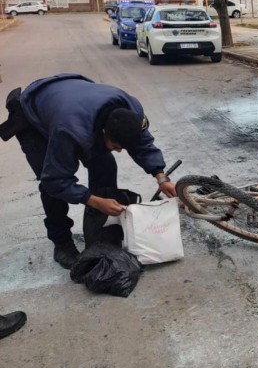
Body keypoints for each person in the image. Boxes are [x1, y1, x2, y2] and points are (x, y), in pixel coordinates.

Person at [0, 74, 177, 270]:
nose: (119, 150)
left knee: (106, 165)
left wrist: (161, 177)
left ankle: (100, 232)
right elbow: (56, 181)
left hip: (73, 96)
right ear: (102, 132)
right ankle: (62, 243)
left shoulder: (132, 111)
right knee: (50, 184)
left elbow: (142, 144)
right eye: (116, 145)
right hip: (33, 115)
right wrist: (93, 200)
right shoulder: (69, 129)